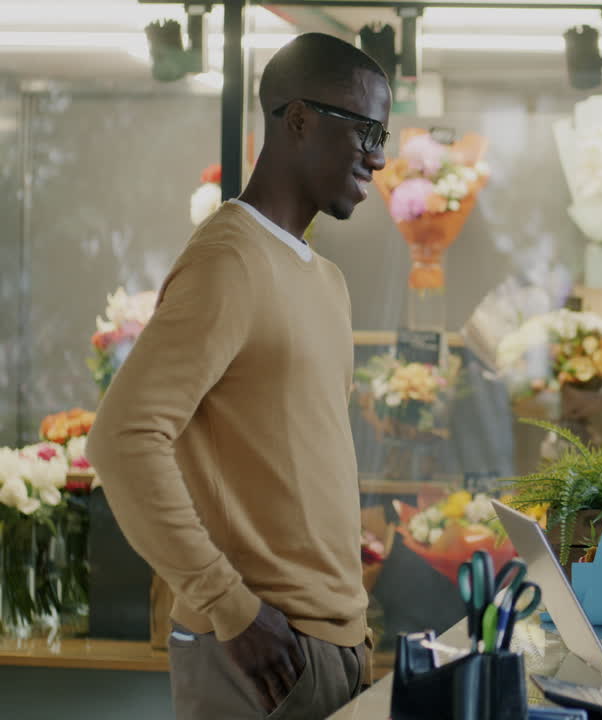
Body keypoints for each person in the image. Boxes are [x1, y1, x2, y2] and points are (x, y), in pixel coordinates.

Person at [86, 33, 390, 719]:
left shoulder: (326, 282)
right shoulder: (230, 260)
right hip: (258, 653)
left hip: (328, 647)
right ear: (300, 120)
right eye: (366, 129)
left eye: (385, 135)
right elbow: (122, 439)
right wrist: (231, 607)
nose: (377, 156)